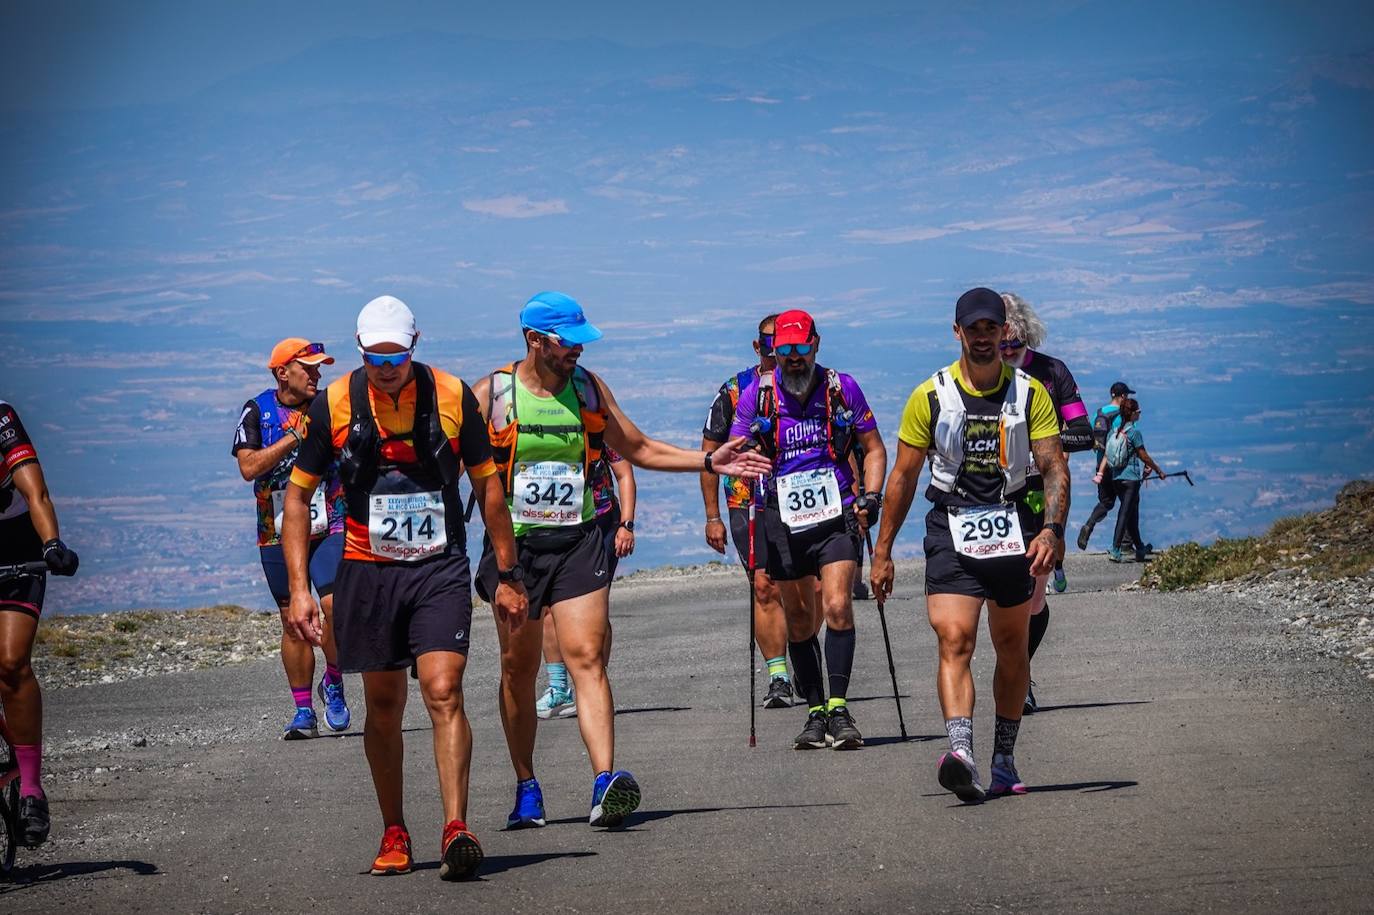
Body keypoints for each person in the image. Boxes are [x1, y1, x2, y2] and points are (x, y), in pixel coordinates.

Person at [472, 291, 769, 831]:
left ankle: (605, 782)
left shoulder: (587, 388)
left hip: (580, 540)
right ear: (534, 341)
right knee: (519, 670)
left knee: (587, 655)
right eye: (568, 343)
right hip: (514, 550)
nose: (577, 353)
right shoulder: (493, 395)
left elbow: (638, 447)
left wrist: (709, 460)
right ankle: (526, 785)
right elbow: (453, 468)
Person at [281, 295, 530, 881]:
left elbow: (488, 485)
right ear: (362, 349)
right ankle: (394, 829)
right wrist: (299, 588)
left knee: (444, 689)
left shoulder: (450, 396)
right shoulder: (333, 403)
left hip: (438, 565)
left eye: (395, 354)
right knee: (385, 706)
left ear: (413, 345)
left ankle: (455, 827)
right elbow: (296, 496)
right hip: (367, 569)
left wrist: (508, 573)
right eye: (375, 356)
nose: (386, 366)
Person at [871, 287, 1068, 802]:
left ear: (1005, 332)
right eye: (973, 329)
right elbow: (904, 476)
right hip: (951, 527)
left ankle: (1003, 757)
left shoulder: (1030, 394)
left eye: (992, 328)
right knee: (955, 637)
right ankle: (961, 752)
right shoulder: (930, 395)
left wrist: (1052, 529)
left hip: (1013, 529)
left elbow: (1053, 466)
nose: (983, 338)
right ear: (957, 332)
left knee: (1011, 645)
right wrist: (882, 551)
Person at [729, 309, 887, 751]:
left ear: (816, 343)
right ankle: (815, 711)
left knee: (837, 605)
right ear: (772, 351)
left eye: (801, 348)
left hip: (835, 512)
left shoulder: (842, 389)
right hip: (781, 516)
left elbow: (874, 448)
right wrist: (749, 457)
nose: (794, 358)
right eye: (785, 350)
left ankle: (839, 707)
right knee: (799, 620)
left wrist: (871, 497)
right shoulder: (756, 397)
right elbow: (733, 451)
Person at [232, 338, 350, 739]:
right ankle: (303, 711)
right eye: (309, 368)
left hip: (330, 521)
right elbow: (248, 467)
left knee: (334, 604)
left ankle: (333, 681)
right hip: (277, 529)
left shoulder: (331, 405)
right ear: (283, 372)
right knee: (293, 620)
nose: (318, 375)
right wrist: (293, 439)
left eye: (320, 369)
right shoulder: (258, 410)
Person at [997, 294, 1094, 713]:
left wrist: (1045, 447)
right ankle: (1016, 675)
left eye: (1016, 345)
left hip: (1041, 495)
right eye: (1001, 346)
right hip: (996, 497)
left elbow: (1083, 430)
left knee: (1034, 599)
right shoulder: (983, 377)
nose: (1008, 353)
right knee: (1005, 596)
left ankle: (1021, 673)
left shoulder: (1053, 373)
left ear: (1027, 337)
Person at [700, 314, 798, 709]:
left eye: (788, 341)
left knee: (811, 588)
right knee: (763, 584)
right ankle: (778, 675)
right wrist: (712, 516)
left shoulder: (813, 385)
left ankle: (805, 658)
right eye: (770, 341)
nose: (778, 348)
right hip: (747, 498)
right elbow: (709, 452)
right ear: (758, 346)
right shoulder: (733, 390)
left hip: (799, 496)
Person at [0, 400, 78, 848]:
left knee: (9, 663)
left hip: (15, 547)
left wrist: (51, 543)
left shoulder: (2, 417)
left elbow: (36, 493)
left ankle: (31, 788)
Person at [535, 445, 635, 719]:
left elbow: (624, 472)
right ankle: (559, 689)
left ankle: (593, 684)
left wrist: (627, 525)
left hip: (601, 523)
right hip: (552, 526)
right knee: (547, 610)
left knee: (596, 612)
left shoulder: (595, 421)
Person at [1096, 398, 1164, 562]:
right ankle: (1115, 548)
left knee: (1131, 514)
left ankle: (1140, 548)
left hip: (1116, 478)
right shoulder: (1134, 432)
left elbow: (1107, 454)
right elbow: (1143, 455)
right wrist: (1158, 470)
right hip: (1131, 479)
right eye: (1137, 411)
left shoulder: (1115, 431)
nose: (1139, 413)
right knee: (1125, 513)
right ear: (1132, 414)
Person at [1077, 382, 1133, 550]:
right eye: (1127, 396)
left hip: (1101, 466)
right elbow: (1129, 441)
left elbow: (1092, 439)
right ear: (1122, 396)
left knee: (1106, 502)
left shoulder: (1098, 414)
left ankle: (1089, 525)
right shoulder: (1123, 416)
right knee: (1128, 502)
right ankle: (1126, 544)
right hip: (1120, 467)